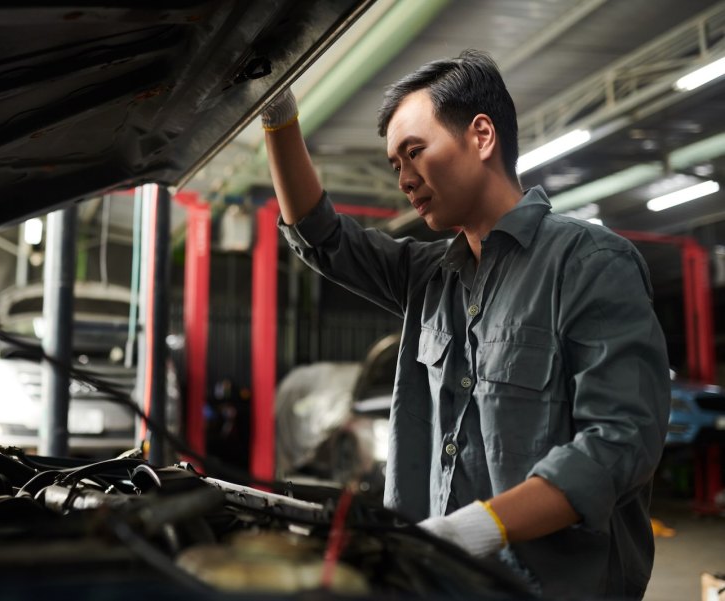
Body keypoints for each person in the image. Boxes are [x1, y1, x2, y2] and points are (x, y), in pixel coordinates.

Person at [261, 49, 670, 599]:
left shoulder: (589, 263)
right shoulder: (429, 280)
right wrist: (276, 111)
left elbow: (619, 443)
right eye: (394, 164)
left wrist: (477, 528)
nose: (404, 179)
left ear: (481, 136)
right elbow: (322, 238)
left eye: (415, 152)